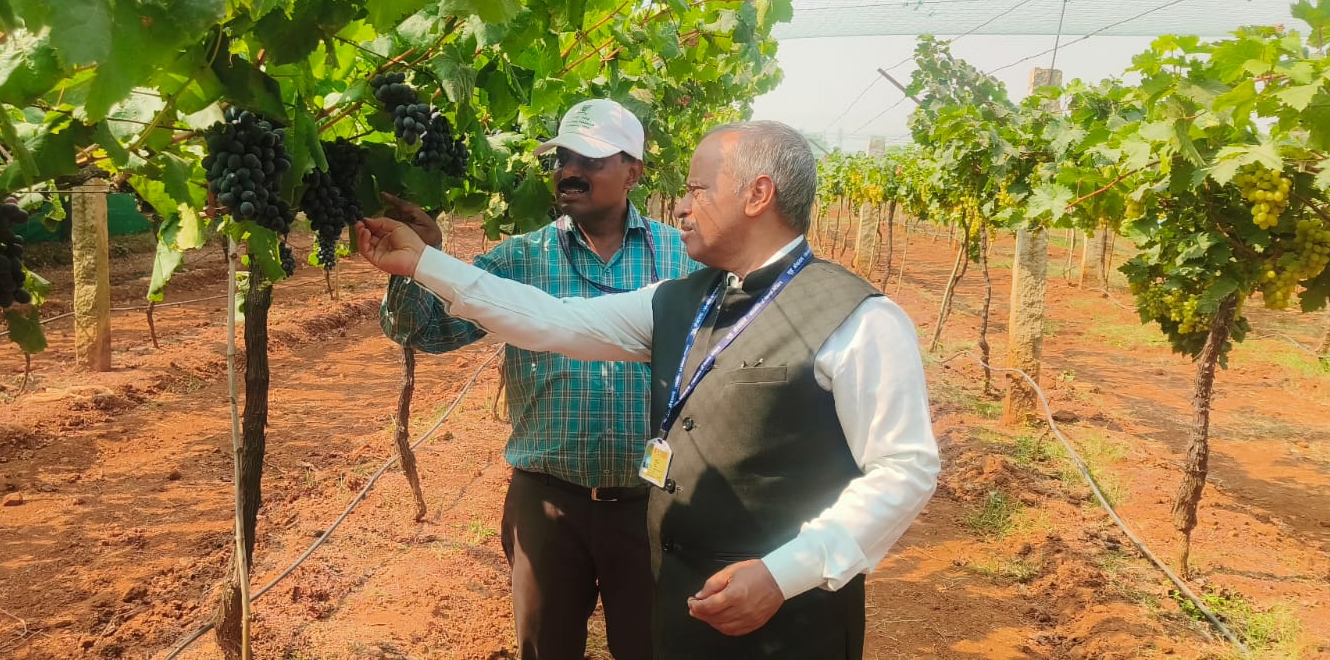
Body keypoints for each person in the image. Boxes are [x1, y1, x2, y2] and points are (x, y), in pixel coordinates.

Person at [356, 120, 939, 659]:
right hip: (687, 597)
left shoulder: (860, 319)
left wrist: (784, 573)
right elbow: (551, 318)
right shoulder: (681, 299)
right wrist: (427, 265)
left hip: (791, 615)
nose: (681, 207)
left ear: (758, 195)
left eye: (699, 190)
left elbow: (904, 468)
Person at [378, 99, 699, 660]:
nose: (569, 172)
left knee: (654, 649)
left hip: (651, 506)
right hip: (547, 506)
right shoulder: (520, 259)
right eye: (562, 158)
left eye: (590, 160)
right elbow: (425, 333)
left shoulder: (683, 259)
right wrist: (418, 264)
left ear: (634, 172)